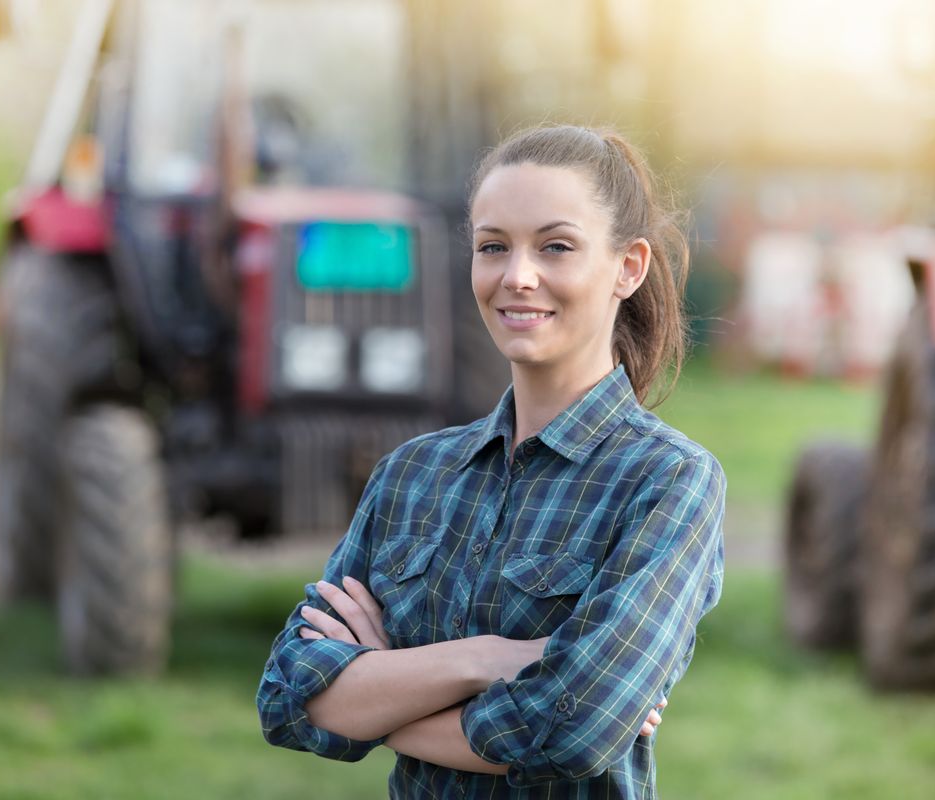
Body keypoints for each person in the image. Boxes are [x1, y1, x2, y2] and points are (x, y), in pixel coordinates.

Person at [256, 124, 726, 798]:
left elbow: (572, 729)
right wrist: (483, 662)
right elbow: (286, 696)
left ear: (628, 267)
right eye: (493, 247)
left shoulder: (668, 482)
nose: (517, 277)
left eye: (555, 247)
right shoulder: (412, 475)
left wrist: (377, 693)